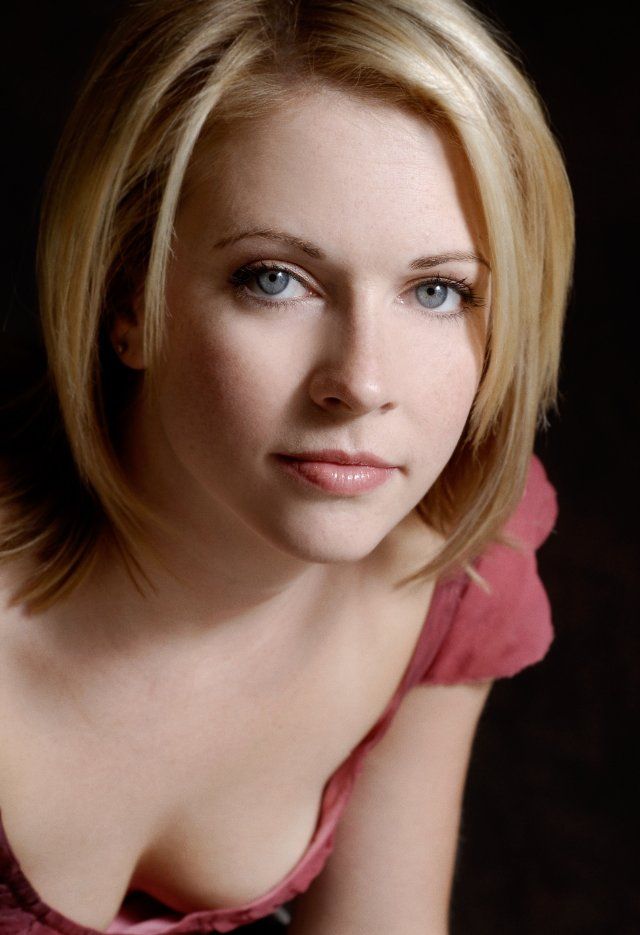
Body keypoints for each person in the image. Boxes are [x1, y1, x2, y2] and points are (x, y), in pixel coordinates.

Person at [0, 0, 574, 932]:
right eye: (275, 278)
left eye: (438, 290)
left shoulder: (451, 573)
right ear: (126, 297)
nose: (361, 382)